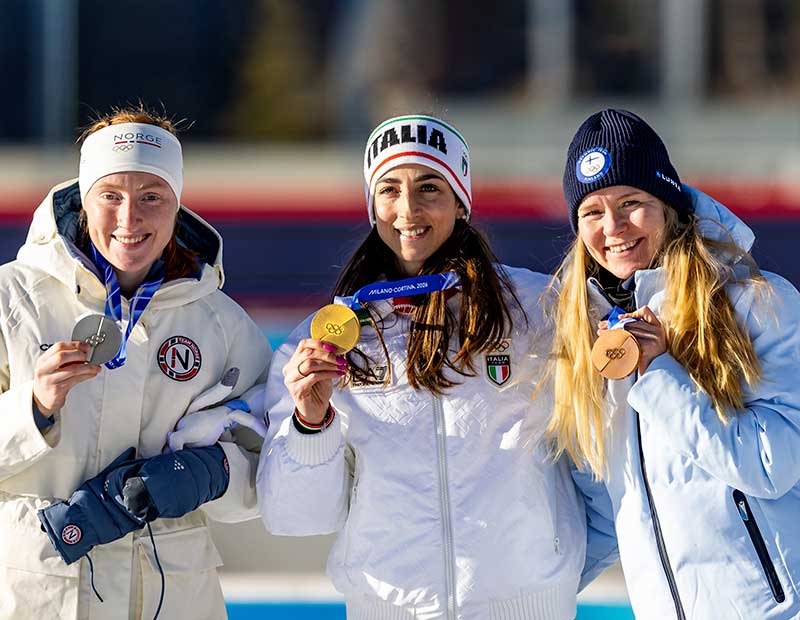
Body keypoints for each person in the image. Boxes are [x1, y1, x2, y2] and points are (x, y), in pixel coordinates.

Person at [257, 114, 588, 620]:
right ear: (372, 206)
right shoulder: (328, 337)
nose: (407, 209)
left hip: (527, 607)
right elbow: (295, 516)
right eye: (389, 189)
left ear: (461, 202)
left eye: (429, 187)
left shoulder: (538, 309)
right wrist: (310, 423)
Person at [0, 105, 271, 620]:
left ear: (177, 203)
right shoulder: (12, 301)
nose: (130, 219)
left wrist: (211, 473)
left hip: (171, 596)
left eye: (151, 197)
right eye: (111, 196)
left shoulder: (220, 323)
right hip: (37, 593)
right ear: (84, 200)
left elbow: (269, 460)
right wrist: (32, 409)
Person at [550, 108, 800, 618]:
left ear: (668, 205)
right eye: (592, 212)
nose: (613, 227)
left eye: (631, 203)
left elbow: (771, 466)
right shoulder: (584, 338)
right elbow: (604, 516)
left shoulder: (758, 304)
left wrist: (660, 372)